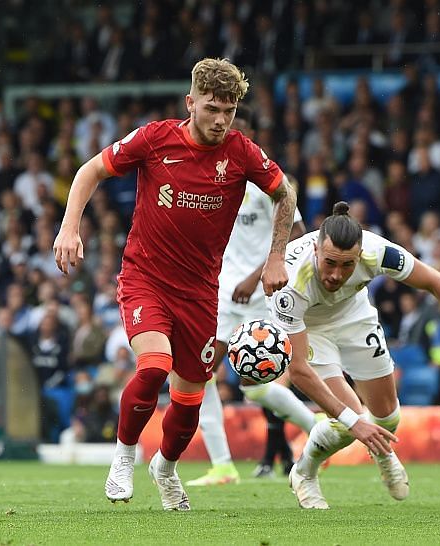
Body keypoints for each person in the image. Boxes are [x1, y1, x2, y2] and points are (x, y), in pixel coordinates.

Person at [52, 58, 299, 511]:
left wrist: (277, 255)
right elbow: (90, 171)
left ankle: (164, 468)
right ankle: (124, 455)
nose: (221, 120)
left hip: (202, 293)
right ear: (191, 103)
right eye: (212, 109)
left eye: (229, 111)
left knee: (188, 401)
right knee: (152, 366)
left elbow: (286, 193)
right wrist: (70, 228)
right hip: (146, 279)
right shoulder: (154, 139)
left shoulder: (242, 153)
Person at [269, 201, 440, 509]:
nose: (336, 274)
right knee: (350, 420)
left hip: (354, 317)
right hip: (310, 328)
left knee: (388, 417)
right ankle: (304, 472)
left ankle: (383, 450)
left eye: (347, 265)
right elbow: (299, 370)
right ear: (317, 250)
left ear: (359, 256)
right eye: (330, 262)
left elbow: (435, 282)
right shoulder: (290, 285)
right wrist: (353, 421)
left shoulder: (376, 250)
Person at [185, 104, 314, 487]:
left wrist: (255, 275)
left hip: (259, 295)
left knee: (229, 380)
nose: (227, 137)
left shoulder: (269, 181)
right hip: (223, 293)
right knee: (218, 378)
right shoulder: (216, 179)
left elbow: (299, 234)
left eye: (237, 131)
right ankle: (314, 430)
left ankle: (313, 427)